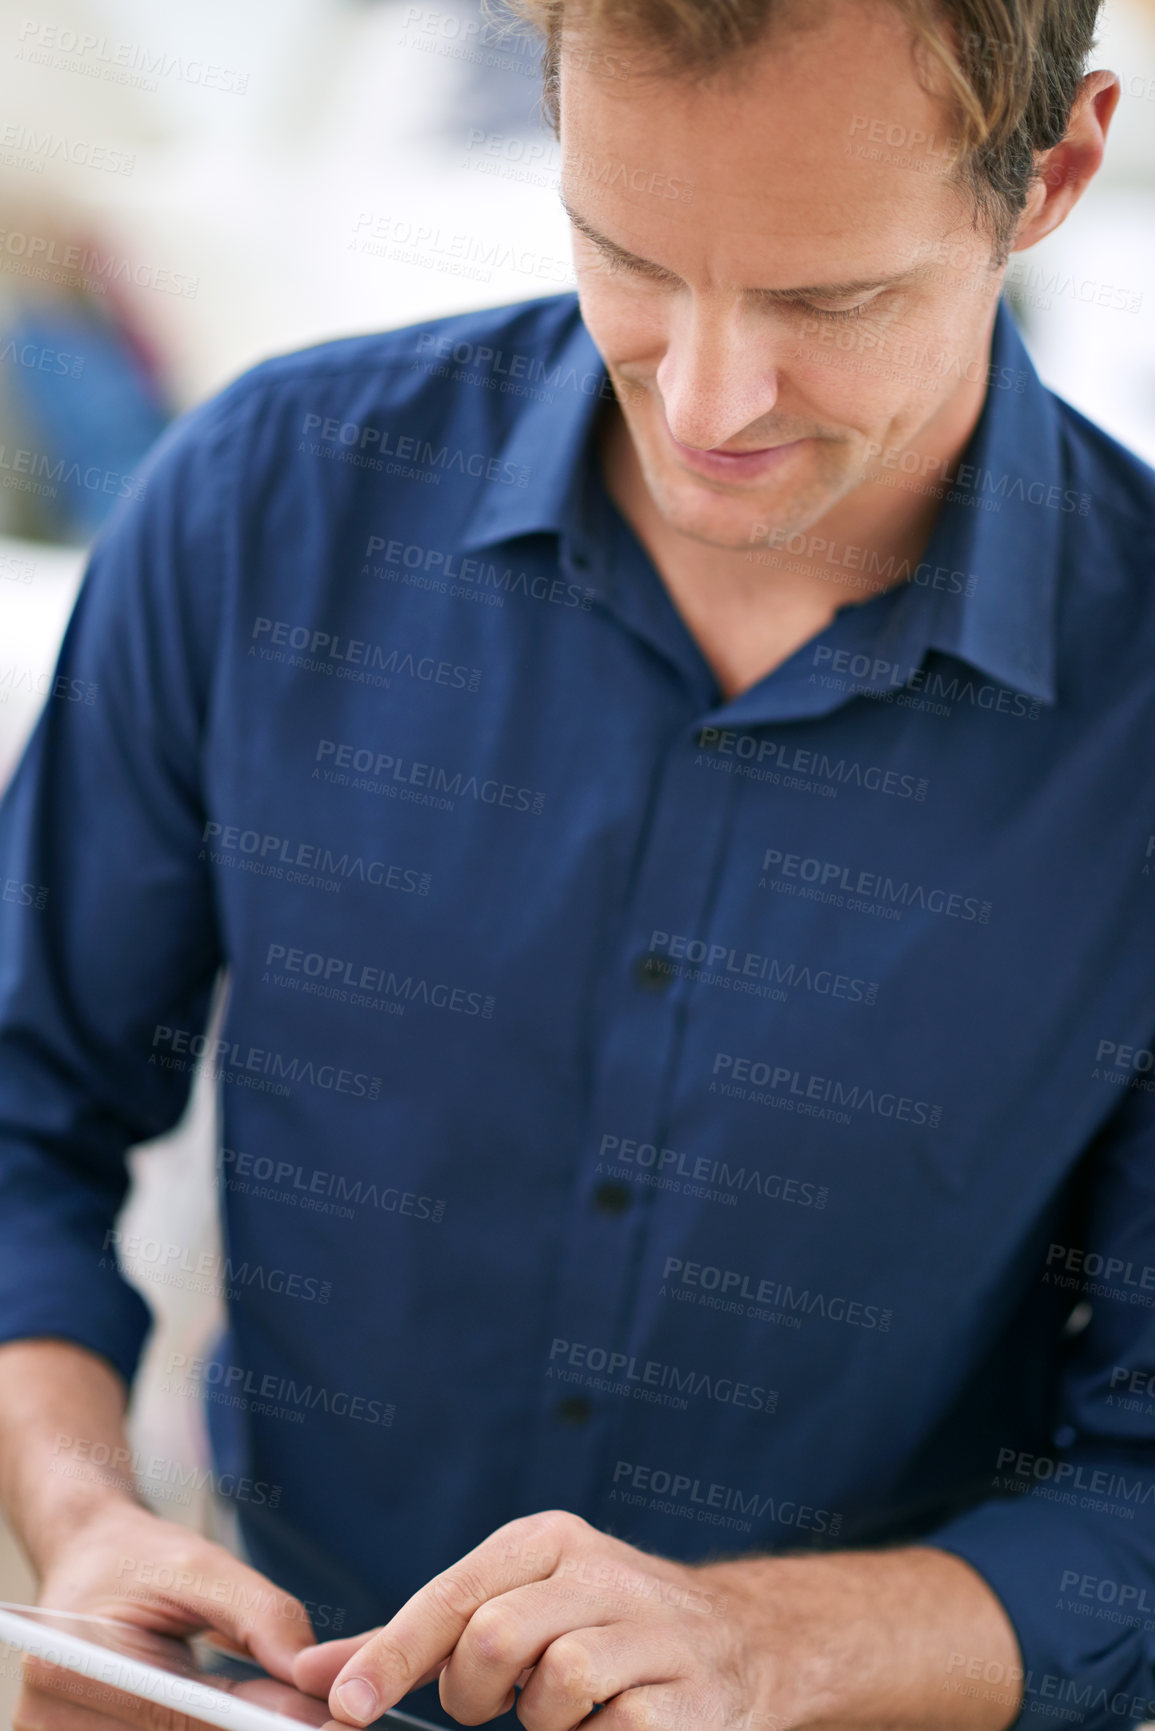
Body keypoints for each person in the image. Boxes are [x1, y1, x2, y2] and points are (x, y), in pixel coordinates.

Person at [1, 0, 1152, 1727]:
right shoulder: (264, 503)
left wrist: (764, 1648)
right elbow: (22, 1118)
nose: (705, 399)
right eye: (628, 255)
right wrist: (83, 1526)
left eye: (824, 300)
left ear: (1054, 167)